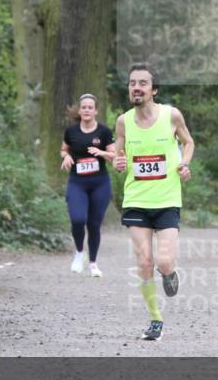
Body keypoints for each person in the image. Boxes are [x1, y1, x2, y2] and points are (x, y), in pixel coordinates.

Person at [113, 63, 195, 341]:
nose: (136, 88)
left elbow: (188, 142)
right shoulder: (123, 121)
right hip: (136, 199)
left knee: (164, 261)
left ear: (154, 90)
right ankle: (155, 320)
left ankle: (169, 273)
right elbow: (119, 155)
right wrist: (119, 162)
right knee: (144, 262)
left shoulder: (171, 116)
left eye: (142, 83)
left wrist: (184, 163)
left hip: (167, 199)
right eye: (132, 83)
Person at [61, 94, 116, 278]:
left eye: (90, 107)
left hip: (100, 184)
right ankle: (79, 253)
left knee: (94, 224)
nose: (86, 110)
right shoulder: (71, 132)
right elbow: (64, 149)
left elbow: (114, 156)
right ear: (79, 111)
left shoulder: (104, 132)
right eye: (83, 107)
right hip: (77, 183)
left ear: (96, 111)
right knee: (77, 219)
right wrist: (66, 156)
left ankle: (93, 263)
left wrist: (101, 152)